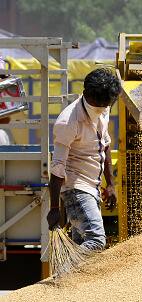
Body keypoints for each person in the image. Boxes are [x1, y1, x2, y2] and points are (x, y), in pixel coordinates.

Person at [46, 68, 121, 251]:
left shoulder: (104, 103)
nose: (103, 109)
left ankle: (68, 277)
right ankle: (68, 270)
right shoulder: (68, 122)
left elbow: (105, 144)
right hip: (76, 189)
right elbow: (57, 169)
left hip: (92, 188)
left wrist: (110, 184)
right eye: (99, 105)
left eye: (106, 105)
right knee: (96, 241)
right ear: (86, 94)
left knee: (81, 243)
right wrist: (55, 208)